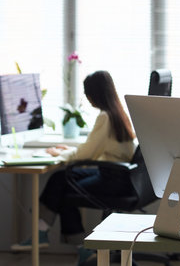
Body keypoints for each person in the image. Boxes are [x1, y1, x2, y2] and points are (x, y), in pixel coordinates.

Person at [11, 70, 136, 265]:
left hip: (113, 178)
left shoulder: (105, 117)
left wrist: (60, 154)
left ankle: (45, 235)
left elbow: (86, 155)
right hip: (120, 175)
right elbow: (92, 148)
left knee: (64, 190)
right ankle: (52, 236)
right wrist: (68, 149)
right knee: (59, 179)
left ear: (94, 94)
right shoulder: (117, 113)